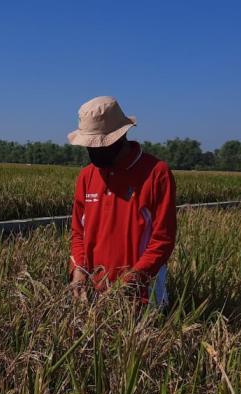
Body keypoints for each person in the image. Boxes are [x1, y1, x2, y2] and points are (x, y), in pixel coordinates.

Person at [66, 96, 177, 313]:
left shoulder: (155, 173)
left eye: (100, 144)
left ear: (121, 136)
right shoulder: (87, 176)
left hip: (143, 298)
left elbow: (162, 240)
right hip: (94, 297)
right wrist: (78, 270)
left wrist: (132, 281)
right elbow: (78, 233)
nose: (94, 150)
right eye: (90, 145)